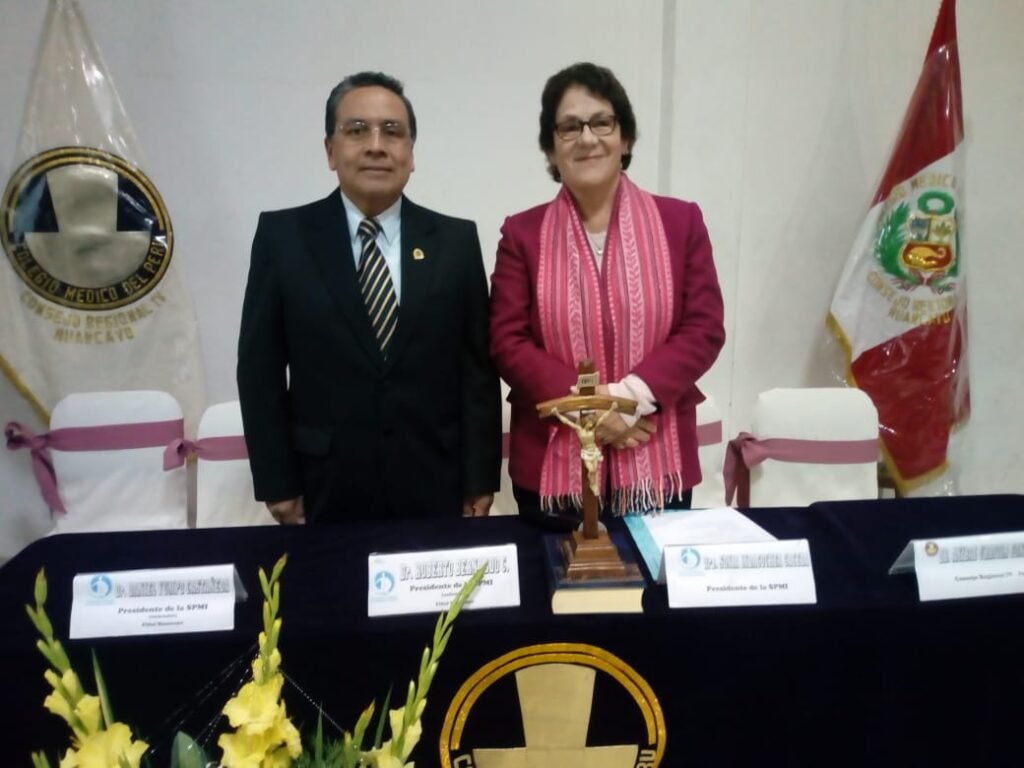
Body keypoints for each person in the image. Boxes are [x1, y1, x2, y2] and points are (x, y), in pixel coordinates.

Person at [238, 71, 501, 524]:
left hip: (435, 482)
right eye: (357, 130)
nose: (376, 145)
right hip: (322, 486)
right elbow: (259, 370)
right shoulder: (283, 238)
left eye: (392, 132)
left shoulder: (455, 242)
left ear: (411, 153)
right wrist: (276, 482)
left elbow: (477, 372)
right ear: (330, 150)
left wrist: (480, 478)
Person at [489, 62, 725, 526]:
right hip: (552, 464)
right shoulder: (522, 234)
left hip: (656, 457)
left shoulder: (681, 223)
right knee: (553, 573)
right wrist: (593, 411)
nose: (587, 138)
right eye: (569, 127)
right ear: (551, 148)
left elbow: (703, 329)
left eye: (601, 122)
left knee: (649, 574)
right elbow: (507, 341)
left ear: (626, 138)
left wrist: (630, 399)